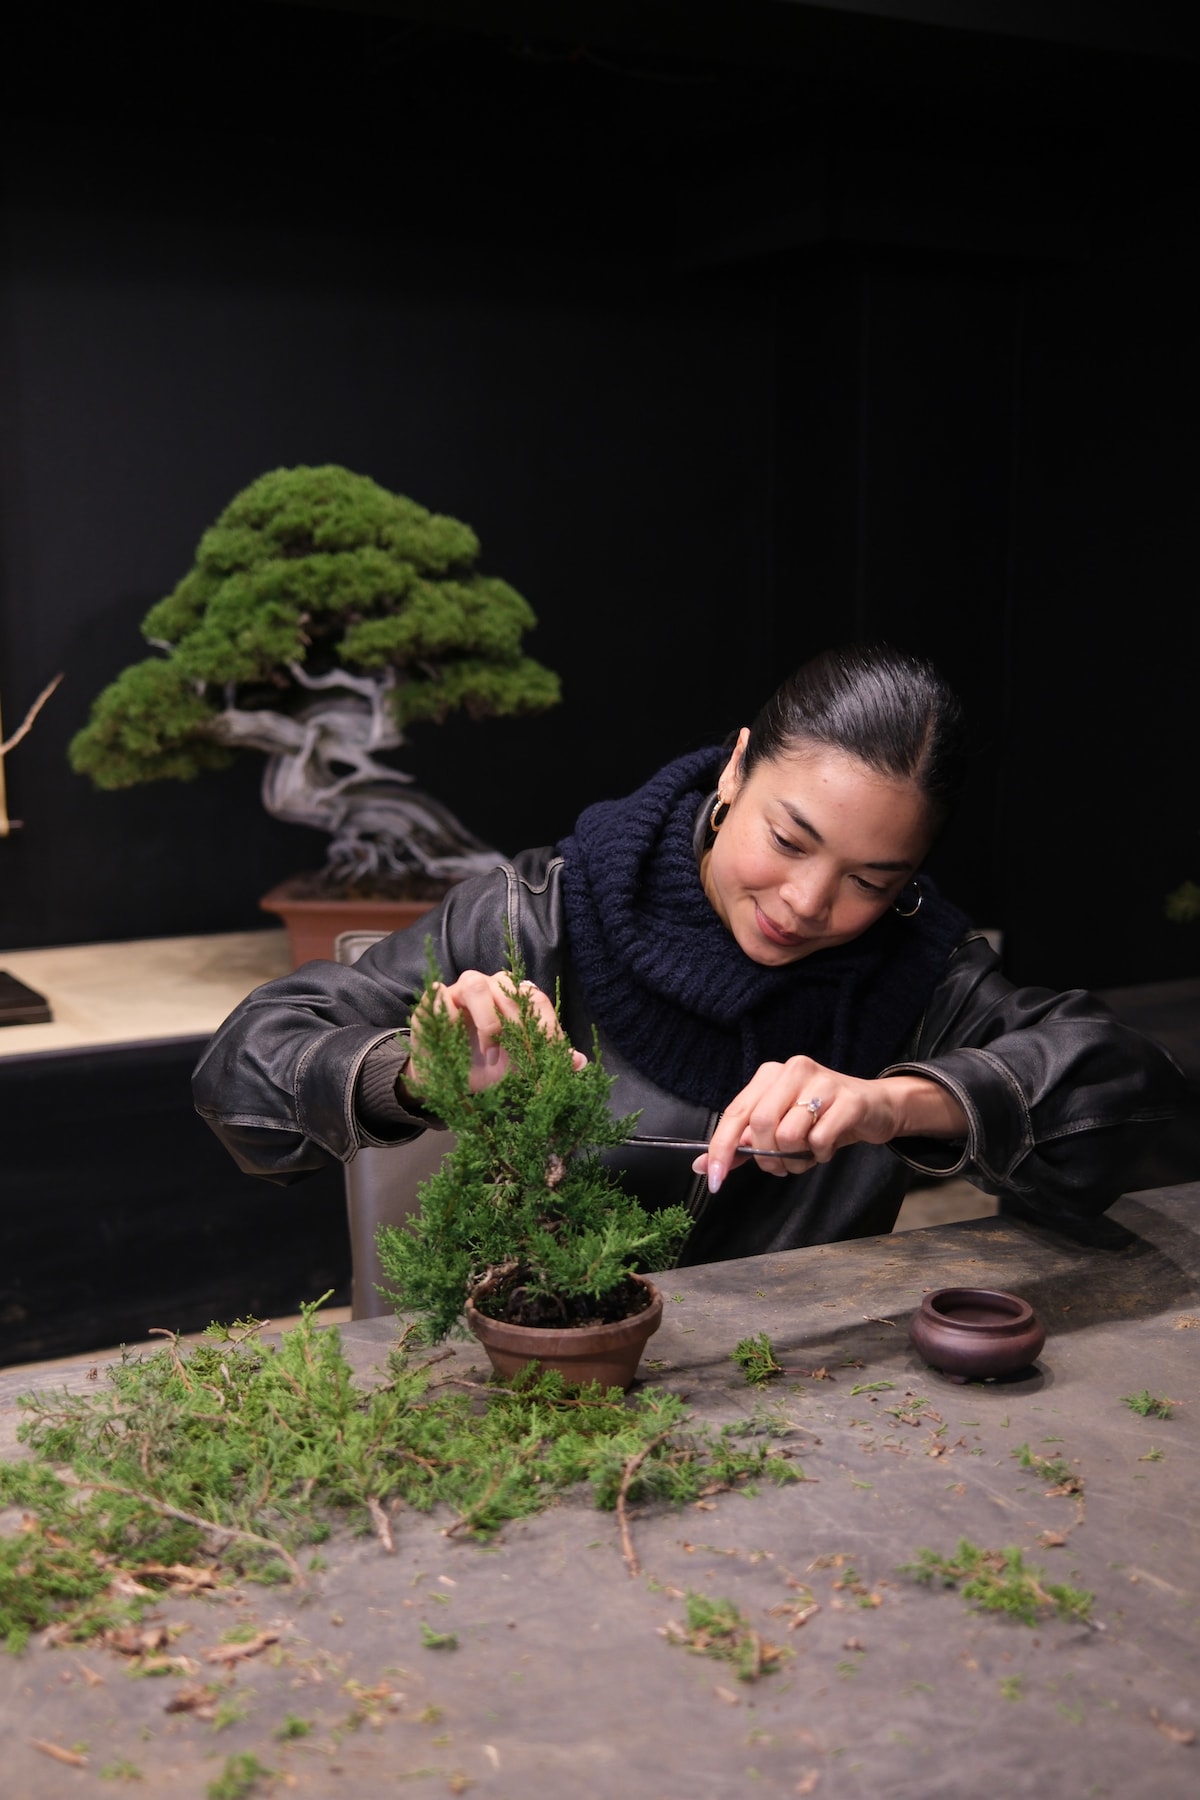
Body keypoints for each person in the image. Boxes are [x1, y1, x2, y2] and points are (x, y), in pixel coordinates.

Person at [193, 643, 1185, 1264]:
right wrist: (417, 1070)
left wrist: (897, 1101)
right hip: (542, 1370)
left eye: (871, 879)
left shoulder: (918, 966)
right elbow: (244, 1071)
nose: (808, 904)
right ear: (738, 764)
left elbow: (1130, 1098)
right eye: (790, 842)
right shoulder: (545, 913)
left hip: (804, 1391)